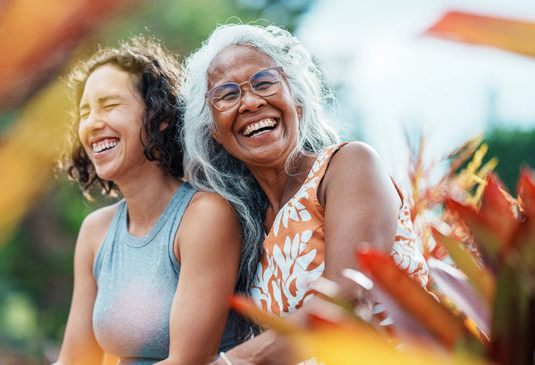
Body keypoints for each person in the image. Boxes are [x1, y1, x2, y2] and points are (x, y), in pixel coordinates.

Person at [179, 24, 429, 364]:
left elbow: (348, 301)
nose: (251, 102)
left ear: (296, 99)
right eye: (227, 94)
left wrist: (227, 364)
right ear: (213, 130)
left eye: (264, 82)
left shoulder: (349, 166)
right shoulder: (250, 228)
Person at [53, 36, 251, 365]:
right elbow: (75, 359)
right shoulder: (95, 232)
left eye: (109, 105)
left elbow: (189, 361)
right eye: (85, 113)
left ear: (160, 115)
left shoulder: (204, 215)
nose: (92, 123)